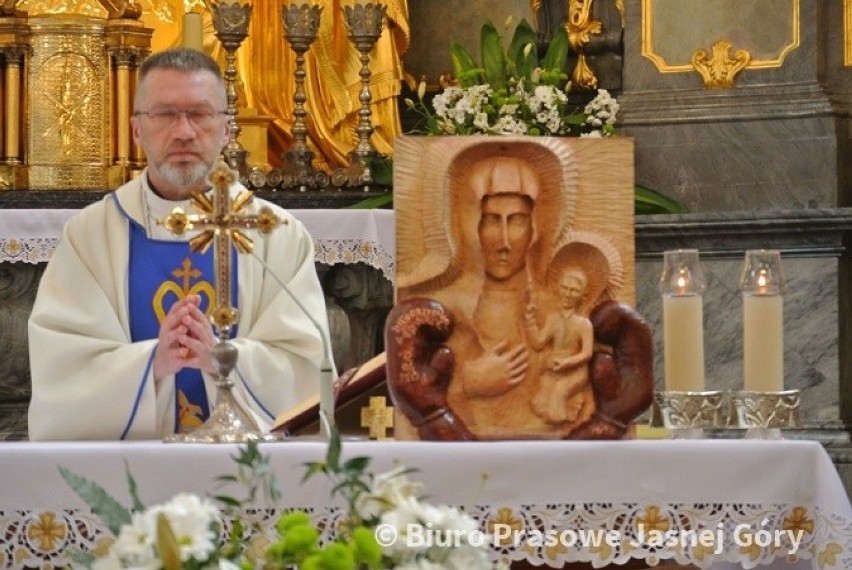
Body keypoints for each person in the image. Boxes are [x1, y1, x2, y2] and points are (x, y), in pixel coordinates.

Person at [27, 48, 331, 440]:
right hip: (129, 477)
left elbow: (306, 366)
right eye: (166, 114)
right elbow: (62, 369)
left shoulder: (276, 233)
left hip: (246, 474)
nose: (184, 131)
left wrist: (223, 359)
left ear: (226, 129)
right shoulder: (90, 236)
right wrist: (153, 362)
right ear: (137, 129)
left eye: (200, 114)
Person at [526, 267, 594, 424]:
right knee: (543, 394)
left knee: (560, 390)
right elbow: (537, 343)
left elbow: (587, 353)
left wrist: (567, 362)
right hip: (554, 368)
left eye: (574, 290)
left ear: (582, 296)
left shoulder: (584, 324)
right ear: (558, 288)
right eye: (565, 288)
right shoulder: (553, 319)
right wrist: (530, 321)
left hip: (575, 370)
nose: (568, 294)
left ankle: (561, 419)